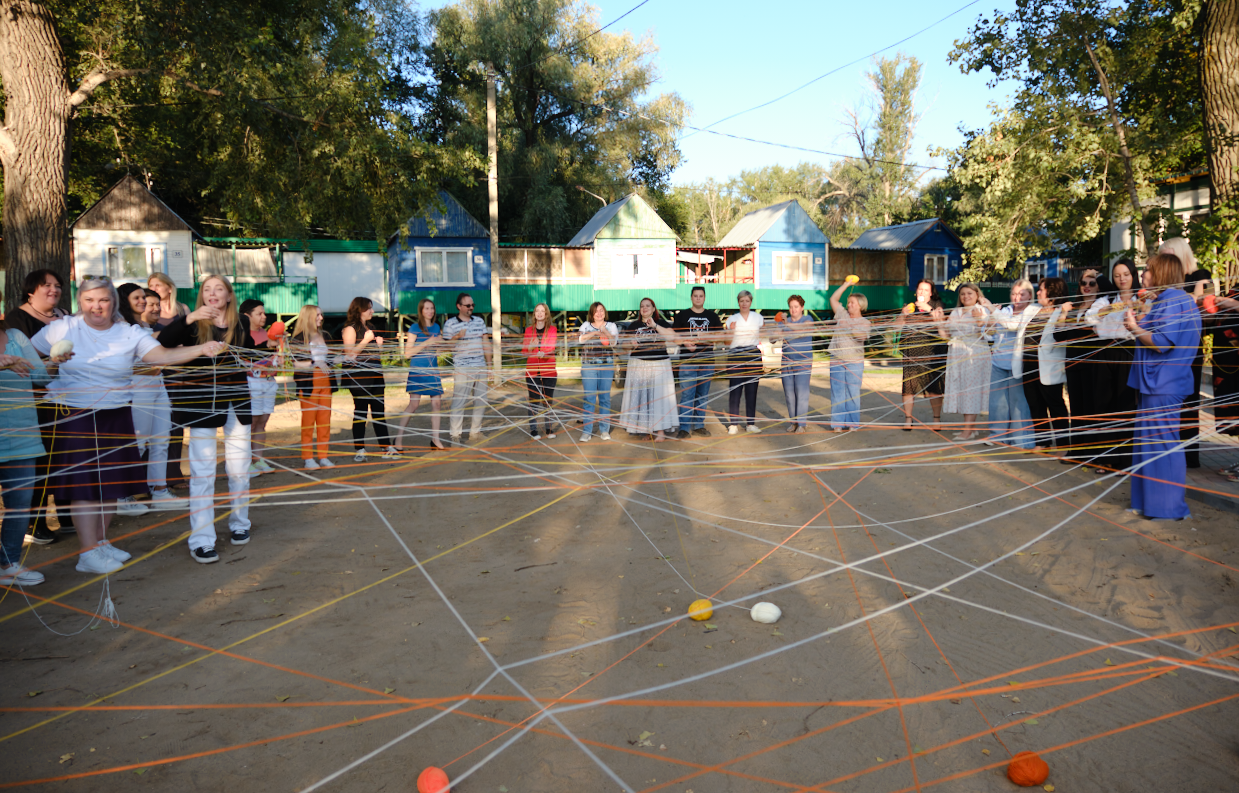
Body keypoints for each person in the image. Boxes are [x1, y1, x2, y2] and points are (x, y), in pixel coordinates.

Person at [33, 277, 227, 573]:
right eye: (89, 300)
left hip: (117, 413)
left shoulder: (129, 332)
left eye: (103, 300)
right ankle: (87, 553)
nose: (96, 306)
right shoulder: (63, 327)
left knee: (112, 483)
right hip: (77, 417)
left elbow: (162, 356)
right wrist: (51, 363)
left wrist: (201, 349)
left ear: (113, 302)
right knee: (86, 487)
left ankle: (100, 543)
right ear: (80, 302)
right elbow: (29, 357)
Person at [156, 274, 263, 564]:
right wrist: (189, 318)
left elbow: (246, 353)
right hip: (202, 406)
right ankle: (202, 540)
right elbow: (163, 343)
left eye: (219, 289)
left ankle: (240, 523)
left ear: (229, 295)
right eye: (207, 289)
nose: (212, 294)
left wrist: (266, 357)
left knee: (239, 469)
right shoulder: (192, 323)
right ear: (202, 296)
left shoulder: (241, 322)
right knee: (203, 473)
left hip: (237, 404)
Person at [1124, 252, 1202, 519]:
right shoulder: (1169, 299)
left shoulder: (1173, 300)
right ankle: (1147, 503)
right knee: (1148, 444)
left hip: (1163, 383)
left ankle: (1169, 508)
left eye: (1148, 269)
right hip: (1157, 383)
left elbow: (1162, 342)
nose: (1143, 274)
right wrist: (1137, 321)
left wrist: (1134, 327)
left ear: (1161, 273)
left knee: (1161, 445)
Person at [6, 270, 76, 545]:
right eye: (46, 285)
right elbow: (29, 371)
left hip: (59, 402)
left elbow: (40, 373)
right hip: (31, 406)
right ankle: (34, 523)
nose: (54, 289)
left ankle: (65, 514)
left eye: (57, 285)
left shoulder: (62, 316)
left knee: (60, 457)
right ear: (30, 290)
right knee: (38, 466)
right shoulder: (19, 320)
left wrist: (56, 361)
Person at [117, 283, 186, 511]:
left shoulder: (146, 327)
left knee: (162, 439)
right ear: (124, 300)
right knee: (138, 442)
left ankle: (159, 490)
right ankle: (122, 496)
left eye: (143, 298)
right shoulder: (122, 328)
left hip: (158, 385)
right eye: (136, 298)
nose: (142, 302)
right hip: (138, 389)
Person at [0, 308, 50, 586]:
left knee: (19, 506)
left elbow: (41, 377)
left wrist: (56, 362)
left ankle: (8, 564)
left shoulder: (16, 337)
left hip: (22, 437)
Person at [1053, 270, 1112, 467]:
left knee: (1091, 407)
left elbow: (1110, 289)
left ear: (1099, 286)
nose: (1087, 286)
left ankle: (1091, 451)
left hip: (1092, 363)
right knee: (1076, 407)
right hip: (1073, 363)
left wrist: (1098, 274)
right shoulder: (1074, 307)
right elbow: (1059, 336)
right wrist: (1063, 313)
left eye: (1092, 283)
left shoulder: (1102, 305)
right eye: (1083, 283)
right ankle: (1077, 449)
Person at [1159, 237, 1208, 469]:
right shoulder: (1166, 282)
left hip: (1189, 347)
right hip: (1166, 346)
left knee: (1189, 399)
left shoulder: (1201, 276)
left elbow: (1204, 305)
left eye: (1168, 255)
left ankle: (1189, 455)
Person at [147, 272, 191, 490]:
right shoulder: (148, 312)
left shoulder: (183, 310)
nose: (154, 288)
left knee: (176, 423)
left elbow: (191, 336)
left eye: (158, 285)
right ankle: (152, 477)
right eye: (150, 285)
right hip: (157, 371)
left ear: (169, 288)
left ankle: (173, 473)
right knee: (155, 424)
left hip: (180, 372)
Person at [982, 280, 1036, 448]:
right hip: (998, 363)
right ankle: (997, 435)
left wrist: (991, 309)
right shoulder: (1004, 311)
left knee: (1019, 403)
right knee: (997, 403)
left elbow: (1012, 325)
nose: (1016, 298)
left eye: (1021, 294)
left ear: (1030, 296)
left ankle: (1022, 440)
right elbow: (989, 335)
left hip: (1018, 365)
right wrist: (989, 322)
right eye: (1014, 294)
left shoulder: (1032, 312)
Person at [340, 297, 393, 461]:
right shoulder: (350, 329)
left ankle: (386, 446)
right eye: (369, 308)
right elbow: (350, 355)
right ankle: (360, 449)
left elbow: (372, 355)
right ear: (359, 310)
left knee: (379, 412)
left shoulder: (371, 328)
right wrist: (366, 340)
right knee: (360, 412)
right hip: (359, 378)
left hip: (375, 375)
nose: (372, 311)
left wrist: (379, 347)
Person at [1022, 277, 1071, 454]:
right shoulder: (1033, 310)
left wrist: (1063, 313)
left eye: (1041, 289)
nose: (1038, 292)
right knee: (1035, 404)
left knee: (1055, 405)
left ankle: (1063, 444)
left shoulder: (1061, 312)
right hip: (1028, 364)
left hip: (1048, 366)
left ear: (1052, 292)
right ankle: (1042, 442)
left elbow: (1061, 335)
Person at [621, 297, 679, 441]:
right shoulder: (633, 325)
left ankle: (660, 431)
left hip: (659, 365)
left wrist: (655, 326)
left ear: (653, 309)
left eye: (648, 306)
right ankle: (648, 431)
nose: (645, 308)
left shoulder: (661, 323)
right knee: (644, 399)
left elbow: (672, 337)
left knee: (658, 399)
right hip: (638, 365)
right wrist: (630, 343)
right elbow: (624, 347)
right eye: (642, 306)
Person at [893, 279, 946, 430]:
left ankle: (936, 419)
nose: (922, 292)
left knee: (934, 387)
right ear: (916, 291)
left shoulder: (937, 305)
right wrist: (903, 314)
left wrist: (928, 309)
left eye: (926, 290)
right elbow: (896, 328)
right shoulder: (909, 306)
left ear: (931, 293)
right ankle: (908, 419)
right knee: (908, 386)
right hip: (911, 352)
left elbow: (942, 323)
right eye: (920, 289)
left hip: (932, 352)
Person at [941, 283, 991, 441]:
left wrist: (979, 320)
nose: (966, 296)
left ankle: (967, 431)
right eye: (963, 294)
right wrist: (938, 322)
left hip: (973, 354)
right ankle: (971, 428)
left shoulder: (982, 310)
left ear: (977, 295)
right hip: (956, 354)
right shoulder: (955, 312)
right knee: (962, 389)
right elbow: (946, 336)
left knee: (971, 391)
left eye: (969, 293)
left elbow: (988, 334)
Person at [394, 298, 445, 451]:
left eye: (432, 308)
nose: (430, 311)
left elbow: (437, 350)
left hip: (433, 370)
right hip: (418, 370)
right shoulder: (415, 328)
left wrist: (441, 345)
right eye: (427, 308)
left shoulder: (436, 327)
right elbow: (407, 354)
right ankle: (398, 439)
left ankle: (435, 440)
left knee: (437, 404)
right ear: (421, 311)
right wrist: (426, 343)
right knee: (414, 405)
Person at [672, 286, 723, 439]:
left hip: (707, 361)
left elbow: (720, 336)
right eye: (695, 296)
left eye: (701, 296)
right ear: (691, 297)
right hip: (688, 362)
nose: (698, 298)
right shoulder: (682, 316)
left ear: (704, 298)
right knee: (687, 395)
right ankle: (684, 428)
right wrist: (685, 342)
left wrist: (706, 337)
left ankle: (699, 425)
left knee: (702, 395)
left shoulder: (712, 316)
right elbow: (674, 336)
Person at [442, 293, 492, 444]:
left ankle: (475, 432)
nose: (471, 308)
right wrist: (457, 337)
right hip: (462, 368)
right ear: (459, 306)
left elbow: (486, 343)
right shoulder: (450, 324)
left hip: (480, 366)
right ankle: (455, 436)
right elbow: (446, 347)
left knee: (481, 400)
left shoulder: (479, 321)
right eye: (468, 305)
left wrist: (489, 365)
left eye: (472, 305)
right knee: (459, 401)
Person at [289, 305, 334, 469]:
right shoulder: (298, 339)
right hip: (309, 384)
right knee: (308, 422)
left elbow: (330, 359)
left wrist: (345, 358)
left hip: (326, 383)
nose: (321, 318)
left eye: (321, 314)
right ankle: (308, 457)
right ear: (308, 317)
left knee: (324, 421)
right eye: (318, 315)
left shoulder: (325, 335)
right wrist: (315, 362)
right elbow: (296, 364)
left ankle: (323, 456)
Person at [240, 299, 279, 475]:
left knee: (262, 422)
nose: (264, 316)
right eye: (259, 314)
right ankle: (245, 462)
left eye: (264, 313)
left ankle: (258, 459)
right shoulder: (242, 335)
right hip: (252, 382)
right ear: (246, 316)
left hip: (269, 381)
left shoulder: (267, 333)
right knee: (251, 422)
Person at [828, 284, 871, 431]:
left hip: (855, 362)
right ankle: (837, 424)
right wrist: (846, 284)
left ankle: (852, 423)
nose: (849, 305)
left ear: (860, 305)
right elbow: (833, 299)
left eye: (852, 302)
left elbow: (861, 336)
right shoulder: (842, 314)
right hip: (836, 359)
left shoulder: (865, 322)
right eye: (848, 302)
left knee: (853, 393)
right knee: (837, 392)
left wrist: (849, 326)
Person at [724, 290, 765, 434]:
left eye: (747, 301)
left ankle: (750, 424)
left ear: (751, 302)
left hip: (753, 354)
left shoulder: (758, 318)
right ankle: (733, 424)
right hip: (736, 354)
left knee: (752, 391)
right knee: (735, 390)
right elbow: (726, 341)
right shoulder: (731, 319)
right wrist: (731, 331)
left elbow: (765, 333)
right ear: (738, 302)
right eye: (742, 301)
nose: (744, 304)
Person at [776, 294, 816, 433]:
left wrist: (786, 323)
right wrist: (777, 328)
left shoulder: (807, 319)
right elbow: (772, 338)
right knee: (789, 393)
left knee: (801, 391)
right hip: (786, 360)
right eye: (791, 307)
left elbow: (802, 330)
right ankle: (793, 422)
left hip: (803, 360)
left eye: (796, 307)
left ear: (802, 307)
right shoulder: (783, 322)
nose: (793, 310)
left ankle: (802, 423)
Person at [578, 302, 618, 442]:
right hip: (588, 366)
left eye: (601, 310)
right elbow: (580, 340)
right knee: (589, 399)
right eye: (596, 311)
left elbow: (613, 342)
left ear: (604, 312)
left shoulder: (611, 326)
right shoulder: (585, 325)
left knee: (604, 398)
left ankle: (604, 430)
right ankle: (586, 432)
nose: (599, 313)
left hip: (606, 366)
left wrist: (604, 331)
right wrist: (595, 332)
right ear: (592, 313)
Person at [522, 302, 559, 440]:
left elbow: (552, 347)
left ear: (546, 314)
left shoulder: (552, 330)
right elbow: (524, 352)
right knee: (534, 402)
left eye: (542, 311)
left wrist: (544, 352)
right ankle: (533, 430)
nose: (539, 313)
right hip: (532, 372)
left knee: (547, 401)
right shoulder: (528, 331)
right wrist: (530, 347)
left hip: (548, 371)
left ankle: (548, 429)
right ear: (534, 314)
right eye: (537, 311)